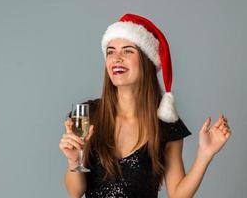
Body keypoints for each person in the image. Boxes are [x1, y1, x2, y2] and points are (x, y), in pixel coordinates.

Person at [59, 13, 232, 198]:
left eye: (127, 51)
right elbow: (75, 192)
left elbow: (177, 194)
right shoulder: (84, 114)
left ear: (147, 61)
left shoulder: (166, 122)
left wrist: (205, 155)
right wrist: (74, 161)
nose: (117, 58)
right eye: (110, 51)